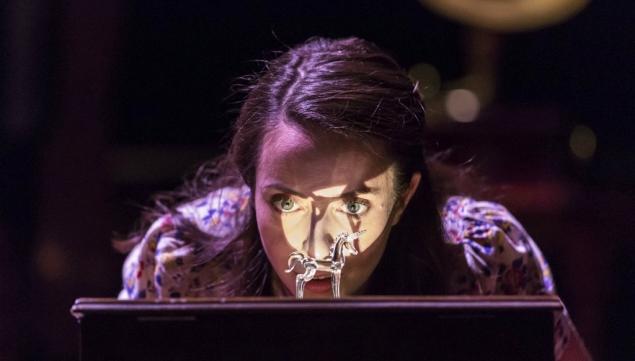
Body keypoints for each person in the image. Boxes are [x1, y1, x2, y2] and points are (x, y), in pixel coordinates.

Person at [116, 36, 591, 360]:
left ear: (404, 198)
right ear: (249, 188)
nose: (316, 247)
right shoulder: (183, 264)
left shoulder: (483, 257)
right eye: (285, 203)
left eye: (354, 206)